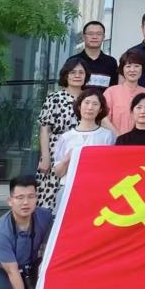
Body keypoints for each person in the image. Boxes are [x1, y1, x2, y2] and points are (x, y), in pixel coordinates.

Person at [35, 58, 87, 210]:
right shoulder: (54, 98)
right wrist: (45, 157)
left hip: (81, 149)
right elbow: (44, 129)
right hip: (56, 149)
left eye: (81, 72)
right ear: (66, 75)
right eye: (73, 72)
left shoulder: (89, 98)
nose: (77, 75)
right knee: (50, 196)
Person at [53, 89, 116, 179]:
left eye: (95, 104)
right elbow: (58, 173)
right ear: (79, 106)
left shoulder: (107, 136)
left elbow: (111, 167)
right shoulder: (66, 137)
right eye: (87, 102)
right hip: (70, 185)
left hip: (96, 184)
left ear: (100, 109)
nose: (90, 107)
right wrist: (68, 158)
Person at [103, 50, 145, 135]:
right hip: (115, 140)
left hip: (140, 141)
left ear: (142, 68)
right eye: (128, 66)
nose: (132, 70)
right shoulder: (111, 92)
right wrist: (119, 137)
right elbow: (103, 119)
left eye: (137, 66)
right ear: (122, 69)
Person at [72, 21, 118, 88]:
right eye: (90, 34)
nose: (94, 37)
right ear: (83, 36)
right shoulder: (73, 61)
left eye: (99, 34)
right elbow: (66, 87)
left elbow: (114, 89)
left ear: (103, 37)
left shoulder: (111, 62)